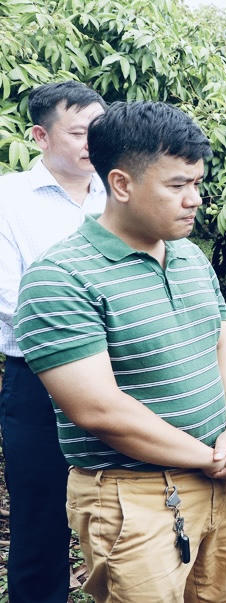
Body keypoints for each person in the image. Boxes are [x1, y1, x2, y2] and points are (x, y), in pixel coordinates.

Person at [13, 101, 226, 602]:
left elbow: (221, 340)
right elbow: (98, 410)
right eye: (177, 185)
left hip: (219, 482)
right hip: (135, 497)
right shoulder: (60, 278)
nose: (194, 199)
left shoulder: (189, 255)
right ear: (121, 184)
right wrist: (213, 459)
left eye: (197, 183)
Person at [0, 80, 106, 602]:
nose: (94, 143)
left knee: (126, 504)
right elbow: (10, 298)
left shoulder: (119, 189)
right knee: (39, 516)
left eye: (100, 130)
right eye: (80, 132)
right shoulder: (9, 198)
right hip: (38, 378)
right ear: (40, 136)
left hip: (121, 371)